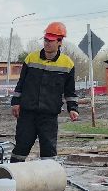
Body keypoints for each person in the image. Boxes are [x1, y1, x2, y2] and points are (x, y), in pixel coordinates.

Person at [10, 21, 80, 159]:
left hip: (49, 115)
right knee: (21, 147)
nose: (47, 43)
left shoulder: (67, 64)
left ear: (60, 42)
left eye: (51, 41)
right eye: (45, 39)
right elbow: (21, 83)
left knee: (48, 151)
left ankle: (49, 179)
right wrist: (15, 102)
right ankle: (13, 177)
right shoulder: (31, 58)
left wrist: (73, 108)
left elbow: (70, 91)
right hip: (27, 113)